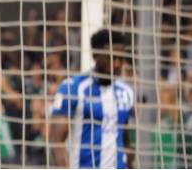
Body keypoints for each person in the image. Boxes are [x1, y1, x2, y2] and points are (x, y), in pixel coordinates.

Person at [50, 29, 134, 168]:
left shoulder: (126, 92)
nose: (117, 64)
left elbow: (125, 140)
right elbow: (56, 142)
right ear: (95, 55)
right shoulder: (73, 88)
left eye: (121, 58)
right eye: (111, 57)